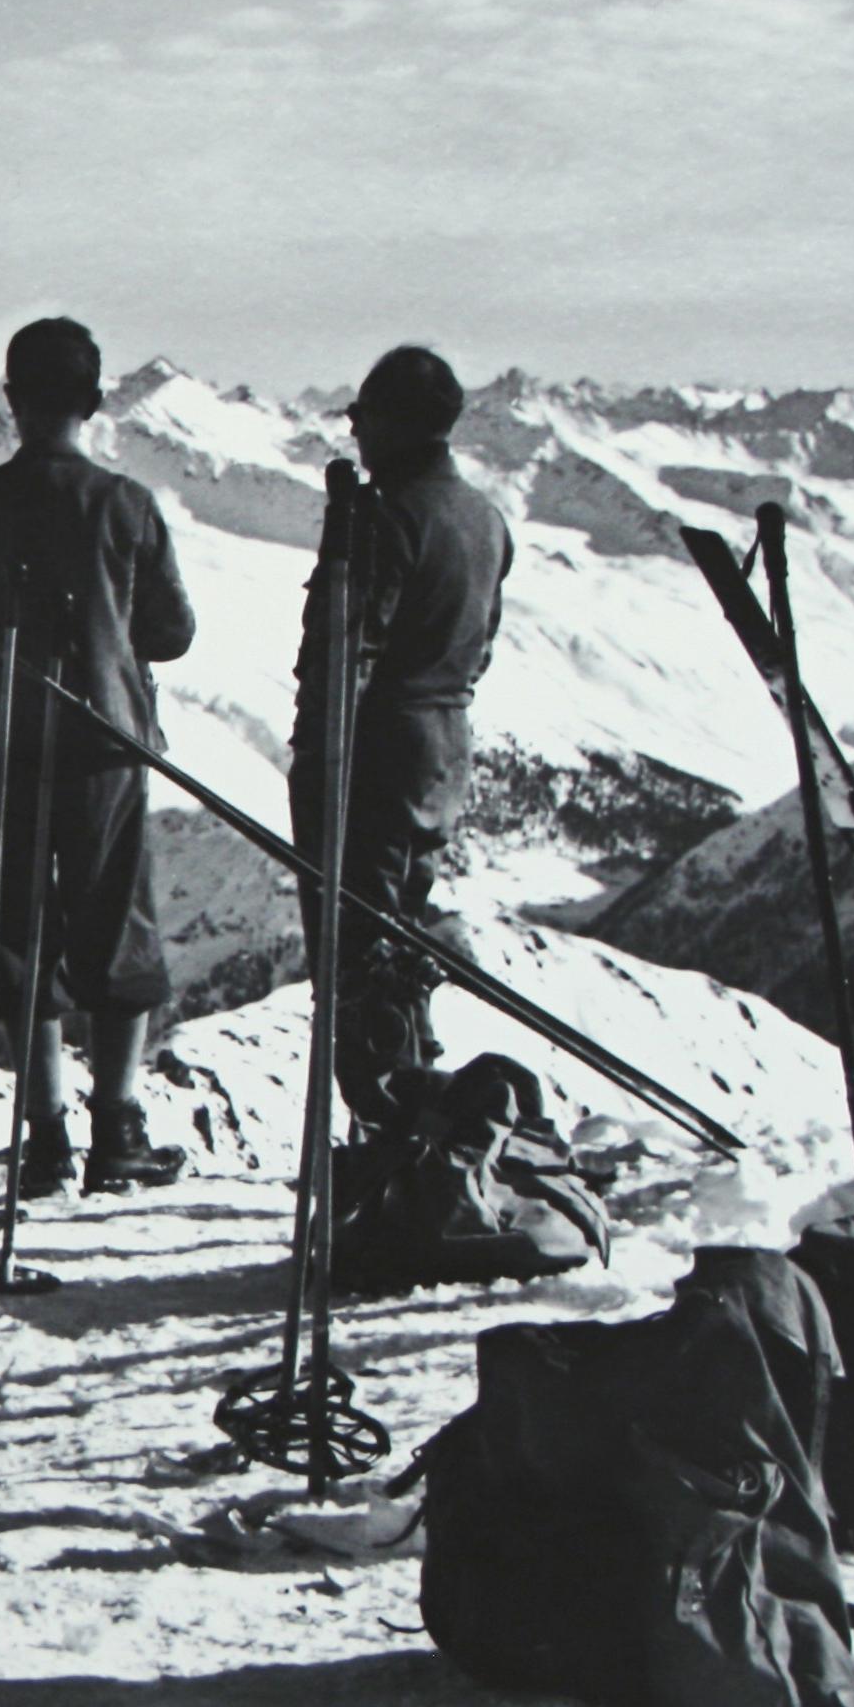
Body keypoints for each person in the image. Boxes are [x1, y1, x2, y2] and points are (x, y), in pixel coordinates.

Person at [0, 316, 196, 1193]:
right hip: (104, 741)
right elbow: (171, 633)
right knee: (115, 925)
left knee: (16, 932)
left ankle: (46, 1139)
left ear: (10, 401)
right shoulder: (127, 505)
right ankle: (117, 1130)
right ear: (96, 403)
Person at [288, 344, 513, 1127]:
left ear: (395, 422)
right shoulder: (485, 518)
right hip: (443, 748)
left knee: (356, 959)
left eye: (361, 415)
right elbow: (479, 643)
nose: (353, 430)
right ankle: (418, 1116)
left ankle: (391, 1124)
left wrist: (317, 760)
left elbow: (345, 653)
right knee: (400, 940)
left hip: (371, 754)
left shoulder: (385, 518)